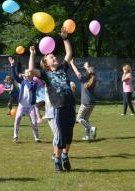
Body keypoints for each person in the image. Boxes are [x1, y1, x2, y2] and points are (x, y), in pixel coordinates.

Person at [29, 27, 76, 173]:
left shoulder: (62, 68)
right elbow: (31, 71)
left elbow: (69, 53)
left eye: (54, 56)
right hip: (58, 107)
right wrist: (32, 55)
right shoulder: (45, 74)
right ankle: (57, 159)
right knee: (60, 136)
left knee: (69, 136)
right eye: (51, 57)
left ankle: (65, 156)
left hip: (70, 106)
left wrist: (65, 38)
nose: (54, 57)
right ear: (46, 63)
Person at [8, 56, 40, 143]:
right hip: (22, 105)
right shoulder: (22, 81)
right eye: (26, 72)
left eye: (29, 72)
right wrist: (12, 65)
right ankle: (15, 136)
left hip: (31, 106)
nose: (28, 73)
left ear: (32, 74)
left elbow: (31, 88)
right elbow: (14, 76)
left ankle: (37, 138)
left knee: (34, 122)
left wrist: (25, 80)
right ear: (25, 74)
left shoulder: (34, 82)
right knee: (17, 119)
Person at [70, 60, 97, 141]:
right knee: (85, 119)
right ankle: (87, 136)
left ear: (87, 73)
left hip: (85, 103)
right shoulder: (93, 79)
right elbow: (90, 72)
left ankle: (91, 128)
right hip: (92, 103)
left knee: (79, 118)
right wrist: (87, 67)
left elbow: (76, 72)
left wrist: (71, 63)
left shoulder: (84, 79)